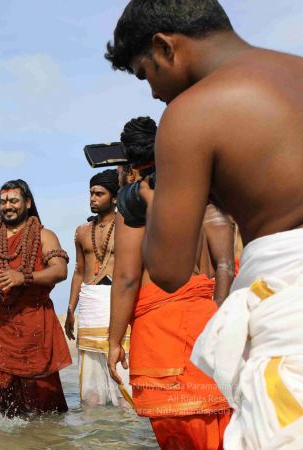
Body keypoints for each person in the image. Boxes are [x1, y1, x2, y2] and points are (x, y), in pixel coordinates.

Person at [107, 1, 303, 446]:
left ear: (165, 47)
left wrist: (148, 203)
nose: (153, 93)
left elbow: (169, 270)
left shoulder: (192, 112)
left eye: (145, 74)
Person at [107, 117, 233, 449]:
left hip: (161, 331)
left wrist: (114, 341)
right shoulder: (201, 192)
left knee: (180, 433)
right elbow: (225, 266)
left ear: (129, 163)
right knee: (220, 428)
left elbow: (126, 278)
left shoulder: (134, 200)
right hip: (207, 322)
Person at [0, 180, 71, 416]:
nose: (7, 206)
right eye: (3, 202)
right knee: (4, 405)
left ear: (28, 203)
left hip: (35, 326)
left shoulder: (44, 235)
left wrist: (23, 277)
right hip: (0, 327)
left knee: (44, 407)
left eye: (13, 200)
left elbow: (60, 270)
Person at [65, 169, 132, 407]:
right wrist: (71, 309)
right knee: (91, 394)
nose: (92, 198)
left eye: (99, 194)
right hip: (90, 303)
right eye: (91, 193)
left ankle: (127, 426)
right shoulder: (81, 231)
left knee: (124, 381)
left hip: (117, 301)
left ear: (114, 198)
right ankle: (94, 425)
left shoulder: (128, 225)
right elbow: (78, 271)